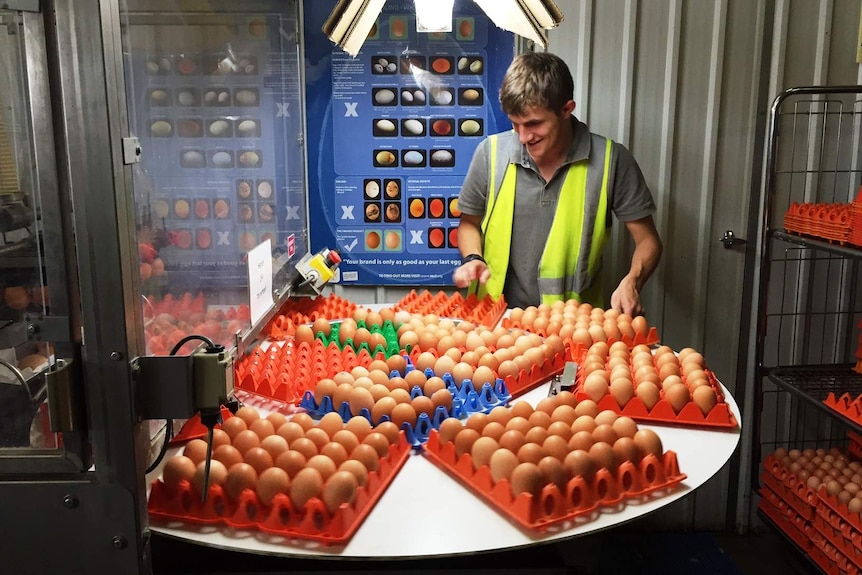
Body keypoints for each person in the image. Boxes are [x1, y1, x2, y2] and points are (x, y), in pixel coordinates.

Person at [452, 52, 662, 316]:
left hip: (571, 328)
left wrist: (632, 280)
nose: (523, 137)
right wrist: (473, 258)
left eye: (533, 124)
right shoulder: (490, 153)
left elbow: (649, 242)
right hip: (494, 324)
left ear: (566, 109)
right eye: (515, 124)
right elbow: (469, 223)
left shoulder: (611, 160)